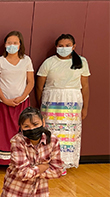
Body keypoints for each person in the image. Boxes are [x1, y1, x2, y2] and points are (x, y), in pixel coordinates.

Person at [1, 107, 64, 197]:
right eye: (26, 126)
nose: (32, 129)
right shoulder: (17, 141)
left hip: (39, 194)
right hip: (16, 193)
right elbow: (23, 174)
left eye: (35, 124)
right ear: (21, 128)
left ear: (43, 122)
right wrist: (43, 167)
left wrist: (32, 170)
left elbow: (58, 170)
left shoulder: (53, 141)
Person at [36, 34, 90, 173]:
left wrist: (85, 107)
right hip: (52, 102)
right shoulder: (49, 62)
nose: (64, 48)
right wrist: (40, 105)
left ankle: (64, 162)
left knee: (68, 134)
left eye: (67, 45)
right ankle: (48, 161)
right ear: (56, 47)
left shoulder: (81, 62)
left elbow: (85, 86)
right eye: (61, 46)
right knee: (51, 133)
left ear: (74, 46)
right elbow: (39, 86)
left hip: (72, 102)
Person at [0, 31, 34, 176]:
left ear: (20, 45)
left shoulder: (26, 60)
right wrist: (5, 99)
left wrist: (22, 97)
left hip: (22, 103)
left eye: (15, 43)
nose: (12, 46)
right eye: (9, 43)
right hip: (2, 103)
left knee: (21, 133)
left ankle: (20, 162)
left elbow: (30, 82)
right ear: (4, 45)